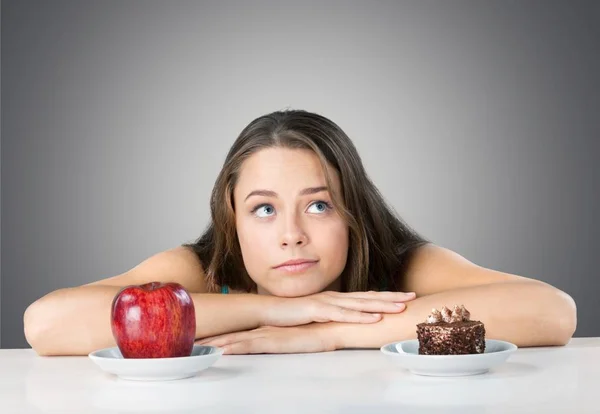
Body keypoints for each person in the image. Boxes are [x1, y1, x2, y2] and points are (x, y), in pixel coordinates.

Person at [23, 109, 577, 356]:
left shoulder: (400, 264)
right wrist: (267, 310)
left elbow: (551, 312)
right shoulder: (205, 270)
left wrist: (329, 330)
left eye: (318, 206)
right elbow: (46, 324)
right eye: (263, 210)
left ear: (354, 211)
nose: (291, 235)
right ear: (232, 220)